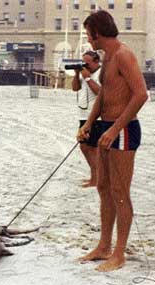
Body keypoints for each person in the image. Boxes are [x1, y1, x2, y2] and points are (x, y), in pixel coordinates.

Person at [77, 10, 148, 272]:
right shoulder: (107, 59)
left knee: (120, 192)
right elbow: (104, 95)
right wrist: (88, 124)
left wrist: (115, 128)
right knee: (104, 187)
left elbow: (141, 95)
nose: (88, 40)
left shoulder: (123, 54)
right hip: (106, 127)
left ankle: (119, 253)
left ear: (97, 32)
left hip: (125, 129)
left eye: (88, 34)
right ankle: (104, 246)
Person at [71, 50, 102, 187]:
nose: (85, 65)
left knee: (94, 148)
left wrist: (89, 78)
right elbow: (75, 88)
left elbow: (101, 92)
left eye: (87, 63)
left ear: (96, 62)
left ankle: (96, 178)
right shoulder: (84, 73)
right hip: (83, 115)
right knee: (84, 146)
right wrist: (77, 74)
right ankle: (94, 175)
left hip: (96, 117)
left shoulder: (101, 74)